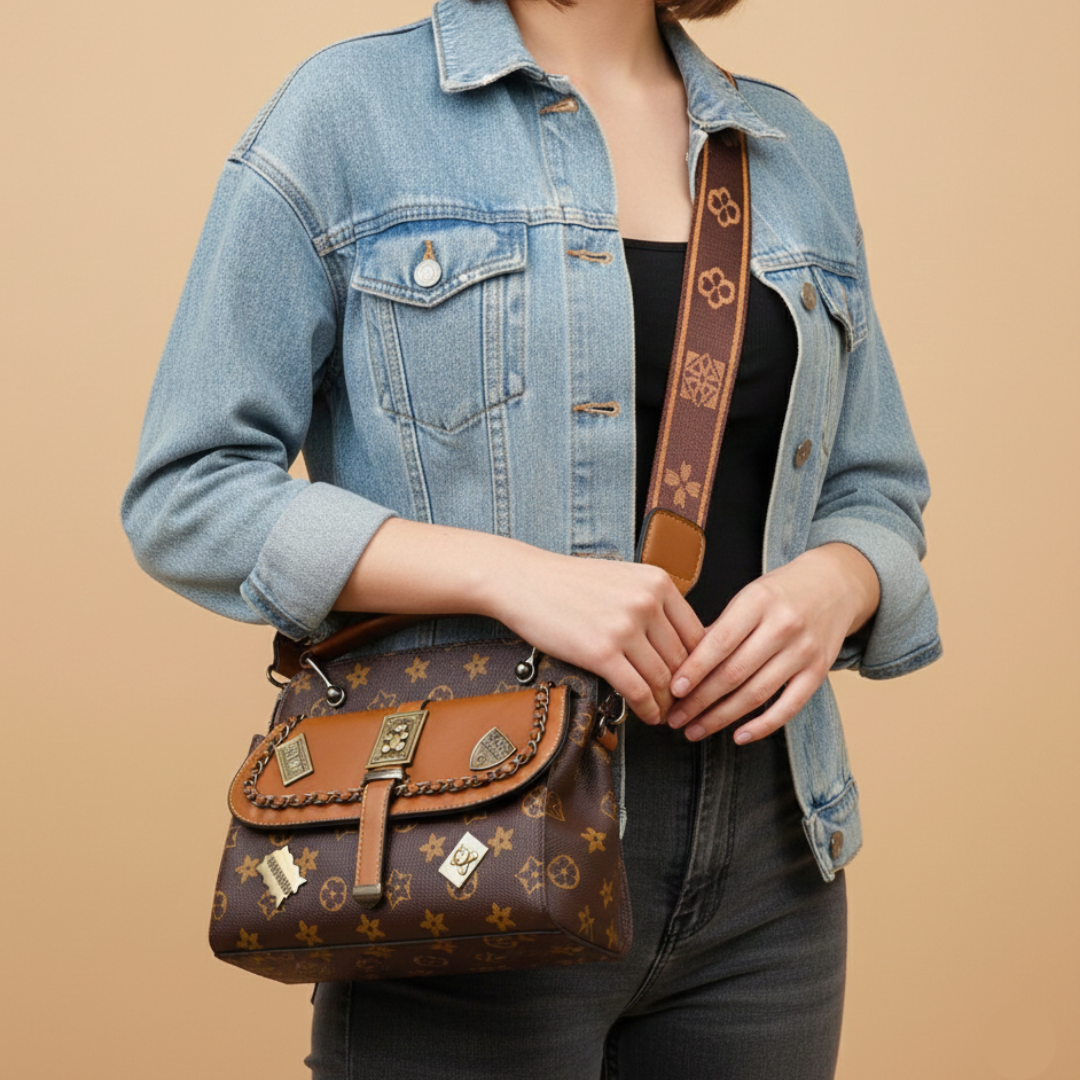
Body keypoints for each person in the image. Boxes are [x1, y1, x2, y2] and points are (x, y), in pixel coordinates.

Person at [122, 0, 941, 1076]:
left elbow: (875, 489)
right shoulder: (348, 118)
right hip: (464, 844)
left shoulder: (791, 153)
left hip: (768, 873)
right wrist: (509, 579)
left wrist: (840, 582)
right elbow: (189, 492)